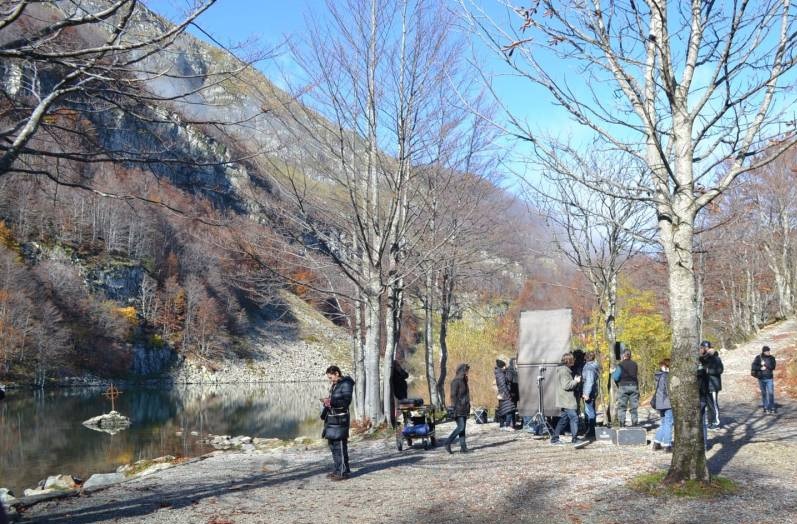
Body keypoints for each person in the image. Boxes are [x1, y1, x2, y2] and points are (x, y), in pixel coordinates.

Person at [321, 365, 354, 480]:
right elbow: (336, 400)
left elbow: (346, 401)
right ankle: (337, 469)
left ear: (336, 373)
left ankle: (343, 472)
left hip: (341, 419)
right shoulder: (336, 385)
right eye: (329, 378)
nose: (330, 380)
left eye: (331, 377)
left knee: (339, 445)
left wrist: (331, 401)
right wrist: (327, 402)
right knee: (333, 445)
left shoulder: (346, 384)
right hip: (333, 418)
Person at [550, 352, 582, 445]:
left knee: (563, 419)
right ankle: (575, 439)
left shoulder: (562, 369)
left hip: (563, 399)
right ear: (569, 360)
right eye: (573, 359)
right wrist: (576, 381)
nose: (574, 361)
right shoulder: (564, 370)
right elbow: (566, 385)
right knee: (574, 418)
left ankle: (555, 438)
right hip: (567, 400)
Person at [446, 363, 471, 453]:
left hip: (464, 407)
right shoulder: (456, 381)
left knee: (462, 429)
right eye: (466, 371)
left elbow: (466, 395)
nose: (467, 373)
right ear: (462, 371)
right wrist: (455, 407)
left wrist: (468, 406)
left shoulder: (464, 381)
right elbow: (453, 396)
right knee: (460, 427)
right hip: (458, 408)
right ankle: (448, 442)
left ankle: (463, 448)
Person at [612, 349, 639, 427]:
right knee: (634, 407)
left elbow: (616, 377)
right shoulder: (635, 364)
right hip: (634, 386)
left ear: (623, 355)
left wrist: (613, 372)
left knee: (622, 407)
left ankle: (622, 423)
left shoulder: (620, 365)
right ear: (630, 355)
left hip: (623, 386)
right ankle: (634, 423)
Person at [700, 341, 724, 428]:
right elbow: (701, 360)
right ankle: (710, 421)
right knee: (709, 405)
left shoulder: (716, 359)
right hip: (705, 385)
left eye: (702, 348)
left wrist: (708, 371)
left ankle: (716, 422)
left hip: (713, 385)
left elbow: (720, 370)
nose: (701, 349)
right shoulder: (704, 358)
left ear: (706, 348)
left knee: (713, 404)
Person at [651, 359, 673, 452]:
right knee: (668, 423)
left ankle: (656, 443)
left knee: (663, 423)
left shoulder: (658, 376)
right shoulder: (666, 376)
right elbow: (669, 391)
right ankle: (667, 445)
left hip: (660, 403)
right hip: (667, 403)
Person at [752, 346, 777, 414]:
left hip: (769, 378)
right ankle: (765, 407)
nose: (768, 352)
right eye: (766, 351)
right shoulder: (758, 358)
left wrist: (765, 365)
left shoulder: (772, 358)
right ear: (763, 352)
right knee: (764, 393)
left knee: (771, 393)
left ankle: (772, 407)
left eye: (769, 351)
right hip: (761, 378)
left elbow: (773, 367)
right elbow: (753, 366)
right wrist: (760, 367)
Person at [580, 351, 599, 440]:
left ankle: (591, 431)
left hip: (589, 391)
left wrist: (586, 393)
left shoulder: (589, 368)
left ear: (586, 357)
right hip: (593, 390)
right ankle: (590, 430)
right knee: (591, 410)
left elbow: (589, 381)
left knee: (589, 411)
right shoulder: (594, 366)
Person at [494, 359, 516, 431]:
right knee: (509, 409)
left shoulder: (500, 373)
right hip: (505, 394)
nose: (505, 368)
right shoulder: (500, 374)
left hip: (502, 394)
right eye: (504, 366)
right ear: (502, 367)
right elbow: (503, 385)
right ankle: (507, 425)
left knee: (503, 410)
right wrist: (508, 394)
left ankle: (502, 425)